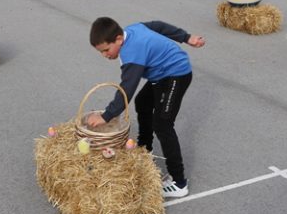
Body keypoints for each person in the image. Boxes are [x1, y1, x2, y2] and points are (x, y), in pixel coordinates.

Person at [86, 17, 206, 198]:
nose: (105, 55)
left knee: (163, 125)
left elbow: (127, 88)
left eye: (106, 50)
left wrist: (106, 116)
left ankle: (179, 182)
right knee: (143, 102)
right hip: (161, 75)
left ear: (118, 39)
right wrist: (186, 37)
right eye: (101, 52)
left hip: (176, 74)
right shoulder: (132, 29)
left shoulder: (131, 54)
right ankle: (145, 149)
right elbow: (159, 26)